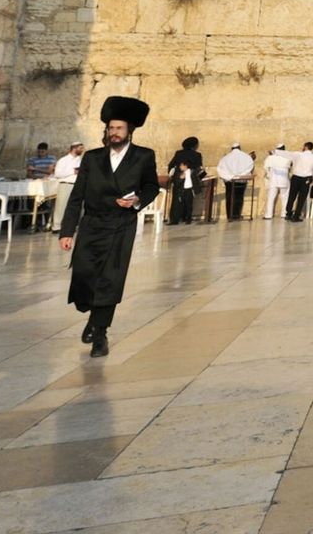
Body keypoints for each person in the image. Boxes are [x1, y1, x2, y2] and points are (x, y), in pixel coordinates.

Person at [59, 96, 159, 358]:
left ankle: (100, 332)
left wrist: (139, 200)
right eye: (110, 128)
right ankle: (91, 315)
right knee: (83, 276)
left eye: (118, 128)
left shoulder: (143, 156)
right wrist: (67, 231)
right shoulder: (92, 158)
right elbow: (77, 195)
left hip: (120, 225)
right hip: (92, 224)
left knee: (110, 280)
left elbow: (150, 186)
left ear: (130, 131)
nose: (113, 133)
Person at [166, 137, 203, 225]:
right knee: (188, 201)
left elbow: (171, 165)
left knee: (176, 200)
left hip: (178, 179)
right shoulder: (197, 155)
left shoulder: (178, 153)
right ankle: (187, 218)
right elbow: (199, 169)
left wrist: (175, 177)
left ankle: (174, 219)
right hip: (190, 180)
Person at [217, 141, 255, 220]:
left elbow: (220, 169)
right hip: (241, 180)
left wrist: (229, 176)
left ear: (232, 149)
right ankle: (236, 215)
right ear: (239, 148)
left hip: (229, 181)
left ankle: (229, 216)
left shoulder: (226, 157)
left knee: (229, 197)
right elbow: (250, 166)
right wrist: (241, 175)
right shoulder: (246, 156)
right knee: (239, 197)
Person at [51, 143, 84, 231]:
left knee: (76, 206)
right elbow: (57, 174)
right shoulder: (63, 160)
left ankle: (74, 226)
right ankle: (57, 226)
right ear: (74, 148)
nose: (82, 150)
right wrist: (72, 171)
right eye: (80, 148)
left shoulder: (81, 160)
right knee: (61, 206)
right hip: (66, 184)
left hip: (77, 184)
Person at [286, 142, 313, 221]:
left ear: (305, 147)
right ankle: (296, 215)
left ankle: (288, 213)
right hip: (306, 179)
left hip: (295, 177)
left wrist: (275, 152)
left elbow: (287, 154)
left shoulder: (298, 154)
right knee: (301, 198)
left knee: (292, 196)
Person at [262, 143, 291, 219]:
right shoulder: (287, 158)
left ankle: (268, 215)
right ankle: (284, 214)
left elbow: (265, 167)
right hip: (284, 180)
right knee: (285, 198)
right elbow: (289, 165)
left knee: (271, 198)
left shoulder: (270, 158)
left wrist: (269, 174)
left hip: (273, 180)